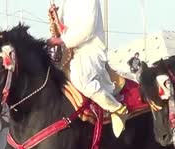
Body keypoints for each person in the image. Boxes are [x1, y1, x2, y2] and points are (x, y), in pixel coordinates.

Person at [48, 0, 128, 137]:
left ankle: (117, 109)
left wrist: (62, 41)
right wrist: (54, 20)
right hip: (69, 52)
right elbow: (62, 31)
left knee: (80, 79)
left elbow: (88, 29)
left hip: (89, 50)